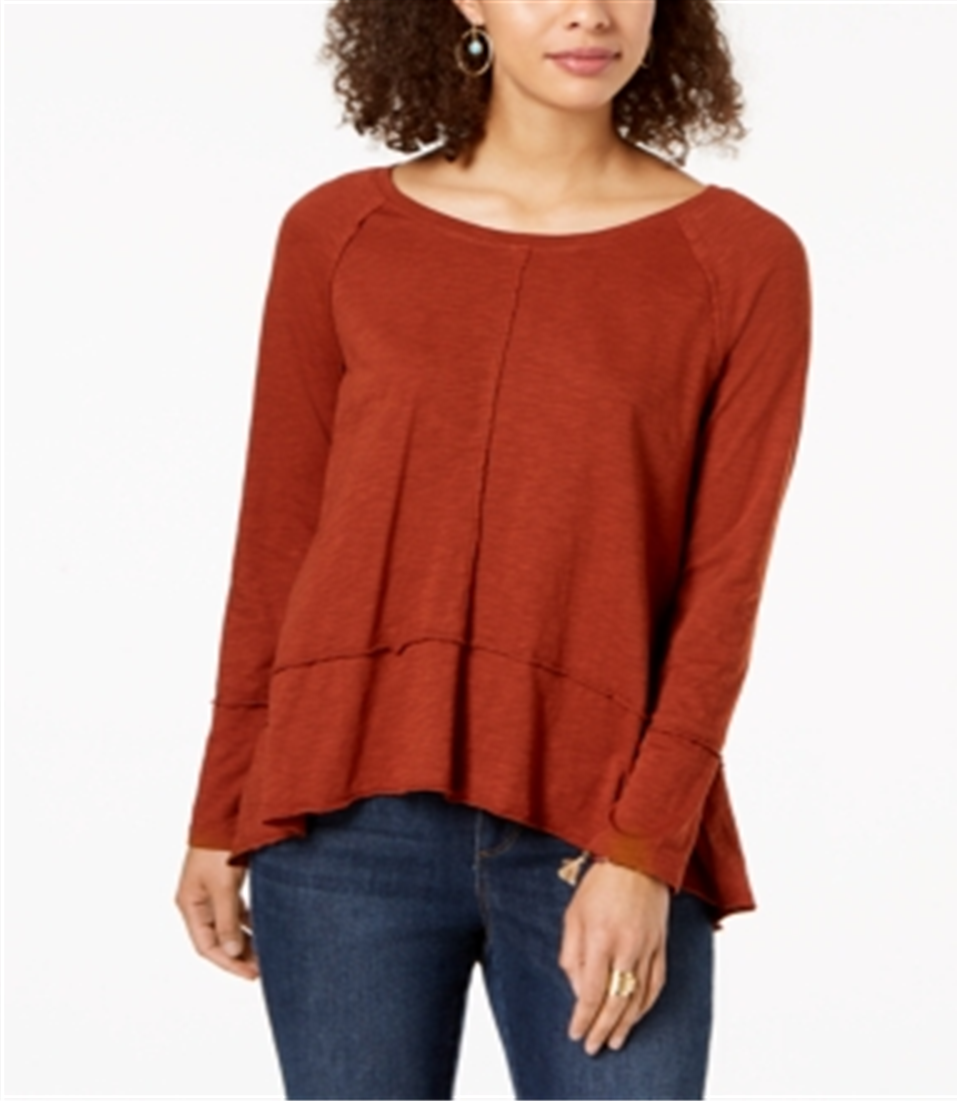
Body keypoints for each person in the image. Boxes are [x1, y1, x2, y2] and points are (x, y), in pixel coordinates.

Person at [174, 0, 812, 1097]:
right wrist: (222, 802)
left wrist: (641, 853)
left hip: (600, 825)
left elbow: (723, 590)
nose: (589, 12)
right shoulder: (339, 233)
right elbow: (278, 539)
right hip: (341, 822)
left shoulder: (738, 260)